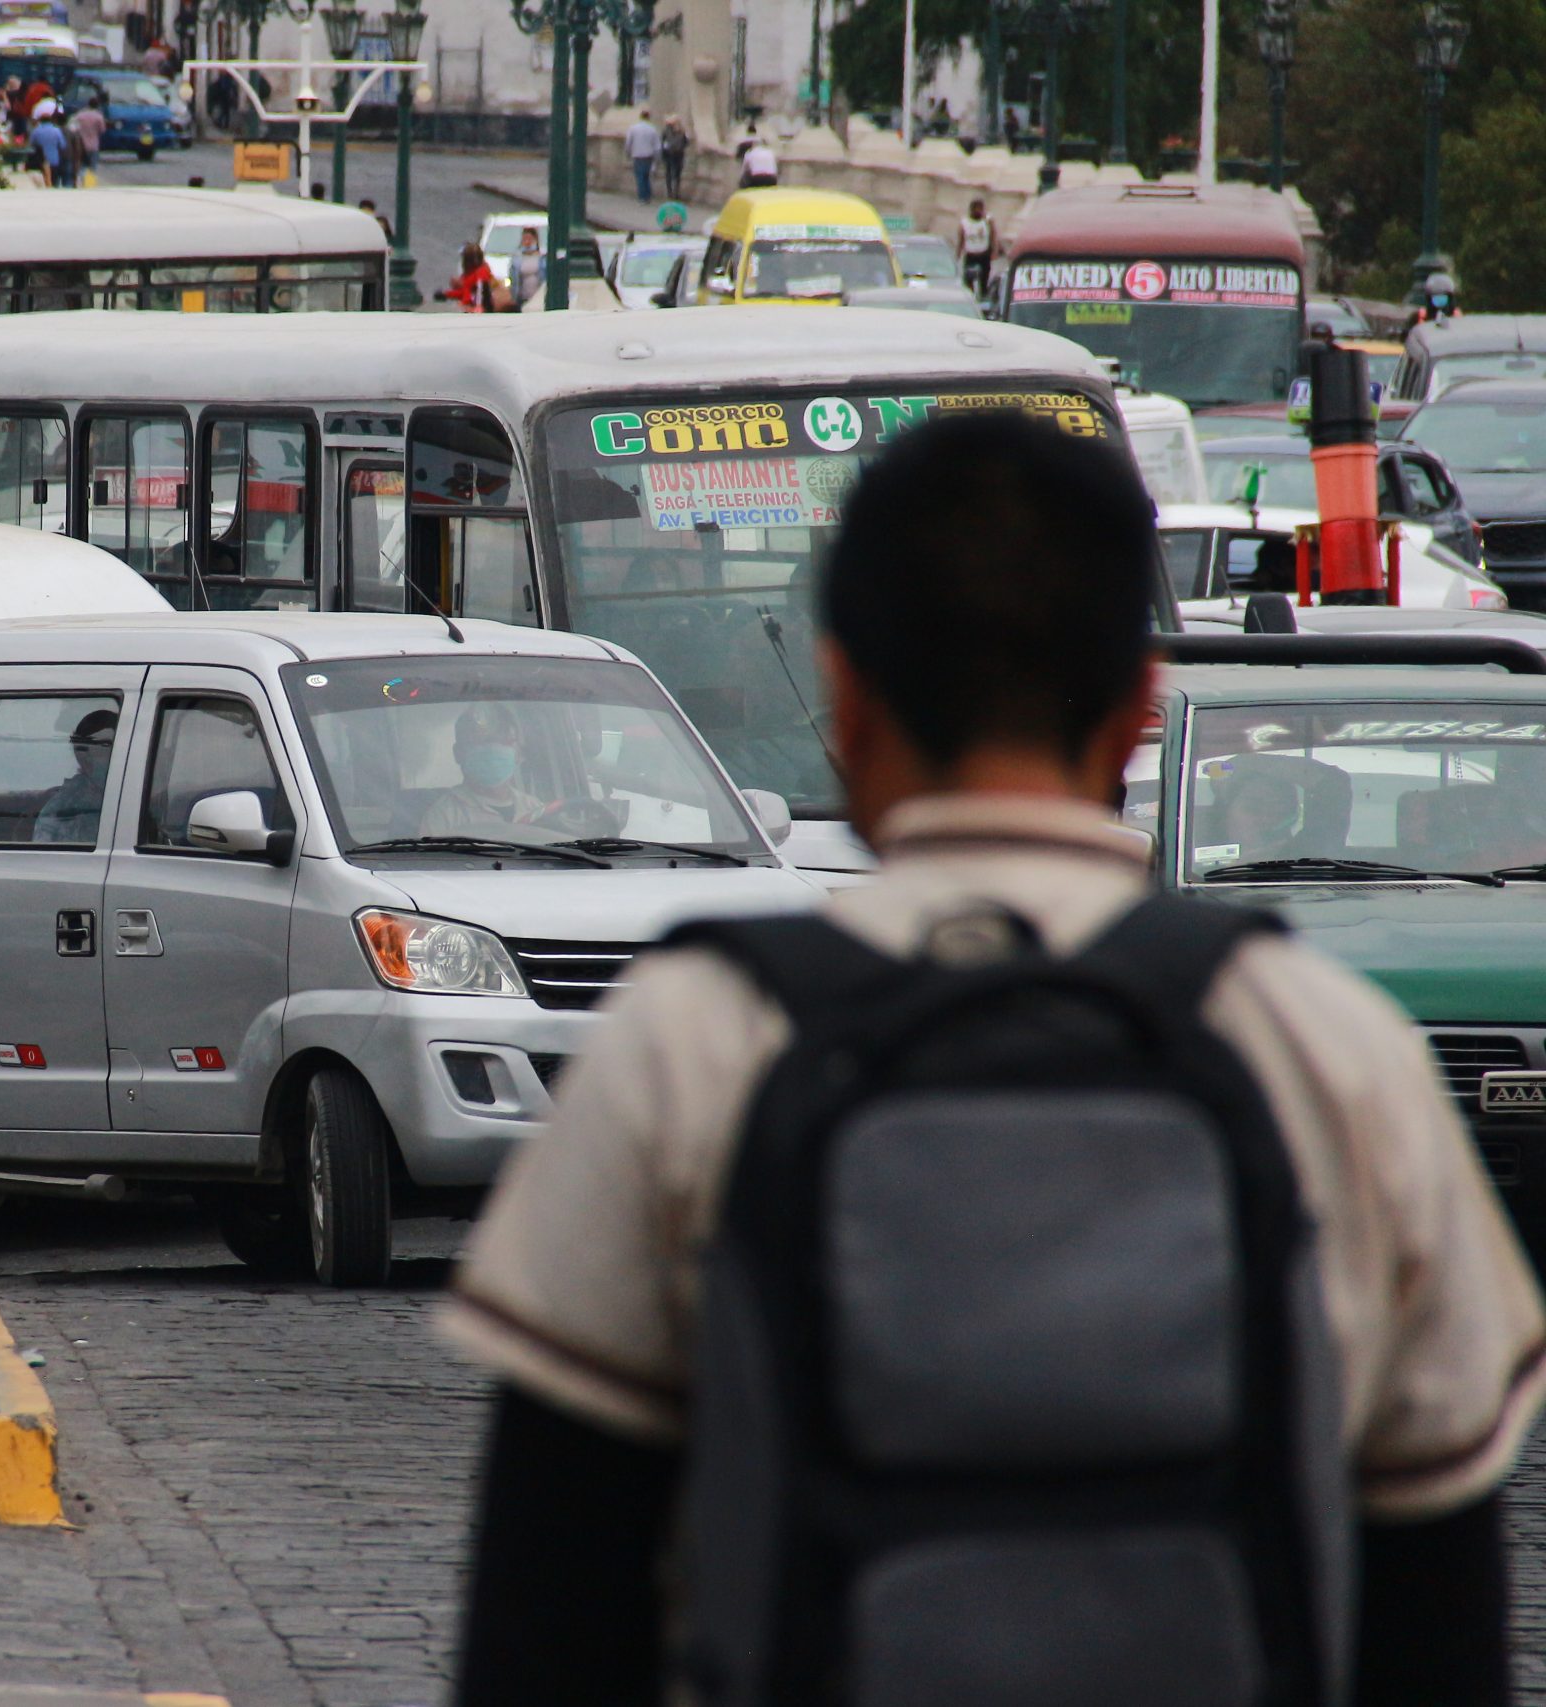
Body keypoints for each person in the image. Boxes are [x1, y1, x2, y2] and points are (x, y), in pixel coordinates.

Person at [444, 411, 1546, 1705]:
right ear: (1143, 704)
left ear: (845, 694)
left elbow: (549, 1611)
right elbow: (1438, 1622)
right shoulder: (1328, 1042)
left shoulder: (691, 1036)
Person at [419, 705, 545, 836]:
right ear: (458, 753)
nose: (493, 749)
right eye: (480, 741)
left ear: (519, 754)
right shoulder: (443, 816)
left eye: (504, 742)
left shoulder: (534, 808)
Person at [33, 708, 119, 842]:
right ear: (81, 757)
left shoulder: (130, 797)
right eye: (105, 747)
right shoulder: (64, 808)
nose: (113, 756)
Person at [434, 241, 493, 312]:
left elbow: (480, 291)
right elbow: (464, 292)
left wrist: (477, 306)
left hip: (478, 311)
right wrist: (446, 294)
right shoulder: (468, 274)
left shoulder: (481, 272)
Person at [957, 196, 996, 294]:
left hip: (984, 254)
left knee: (984, 282)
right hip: (971, 255)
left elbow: (993, 236)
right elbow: (961, 240)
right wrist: (958, 254)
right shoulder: (964, 222)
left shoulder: (987, 221)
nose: (978, 211)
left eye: (980, 208)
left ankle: (983, 297)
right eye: (976, 208)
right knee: (968, 281)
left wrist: (994, 251)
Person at [623, 109, 661, 204]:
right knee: (647, 176)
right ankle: (648, 196)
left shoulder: (633, 128)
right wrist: (657, 158)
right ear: (648, 117)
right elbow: (657, 145)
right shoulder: (652, 129)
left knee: (640, 176)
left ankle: (642, 197)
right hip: (648, 155)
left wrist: (627, 153)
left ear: (640, 117)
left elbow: (628, 142)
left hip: (637, 155)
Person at [508, 226, 547, 309]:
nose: (527, 242)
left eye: (530, 239)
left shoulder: (542, 258)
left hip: (538, 297)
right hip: (522, 298)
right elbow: (513, 280)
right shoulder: (516, 259)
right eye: (525, 239)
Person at [30, 107, 69, 187]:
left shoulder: (36, 131)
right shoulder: (56, 130)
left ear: (40, 120)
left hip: (40, 161)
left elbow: (32, 145)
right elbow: (62, 145)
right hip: (54, 160)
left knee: (43, 183)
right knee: (54, 182)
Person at [71, 94, 106, 180]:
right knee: (92, 167)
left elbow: (73, 127)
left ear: (88, 104)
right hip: (94, 145)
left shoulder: (80, 115)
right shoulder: (99, 117)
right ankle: (90, 182)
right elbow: (102, 130)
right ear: (97, 105)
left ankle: (81, 180)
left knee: (82, 165)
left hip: (81, 145)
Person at [659, 113, 689, 202]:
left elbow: (662, 142)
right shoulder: (682, 131)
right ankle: (676, 192)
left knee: (668, 173)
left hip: (668, 154)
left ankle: (670, 192)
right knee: (677, 175)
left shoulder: (666, 131)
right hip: (679, 155)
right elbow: (686, 143)